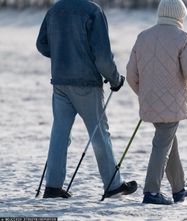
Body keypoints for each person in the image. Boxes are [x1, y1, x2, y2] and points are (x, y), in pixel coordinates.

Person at [36, 0, 137, 198]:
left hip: (60, 81)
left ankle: (53, 186)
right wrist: (115, 79)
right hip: (86, 83)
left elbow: (41, 44)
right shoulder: (93, 11)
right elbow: (102, 56)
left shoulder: (55, 10)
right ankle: (113, 184)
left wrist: (60, 54)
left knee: (59, 133)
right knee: (99, 133)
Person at [126, 0, 187, 205]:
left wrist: (145, 95)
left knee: (167, 140)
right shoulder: (184, 38)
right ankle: (151, 192)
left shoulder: (143, 36)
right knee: (162, 143)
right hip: (172, 102)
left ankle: (179, 188)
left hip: (149, 101)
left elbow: (131, 75)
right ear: (180, 16)